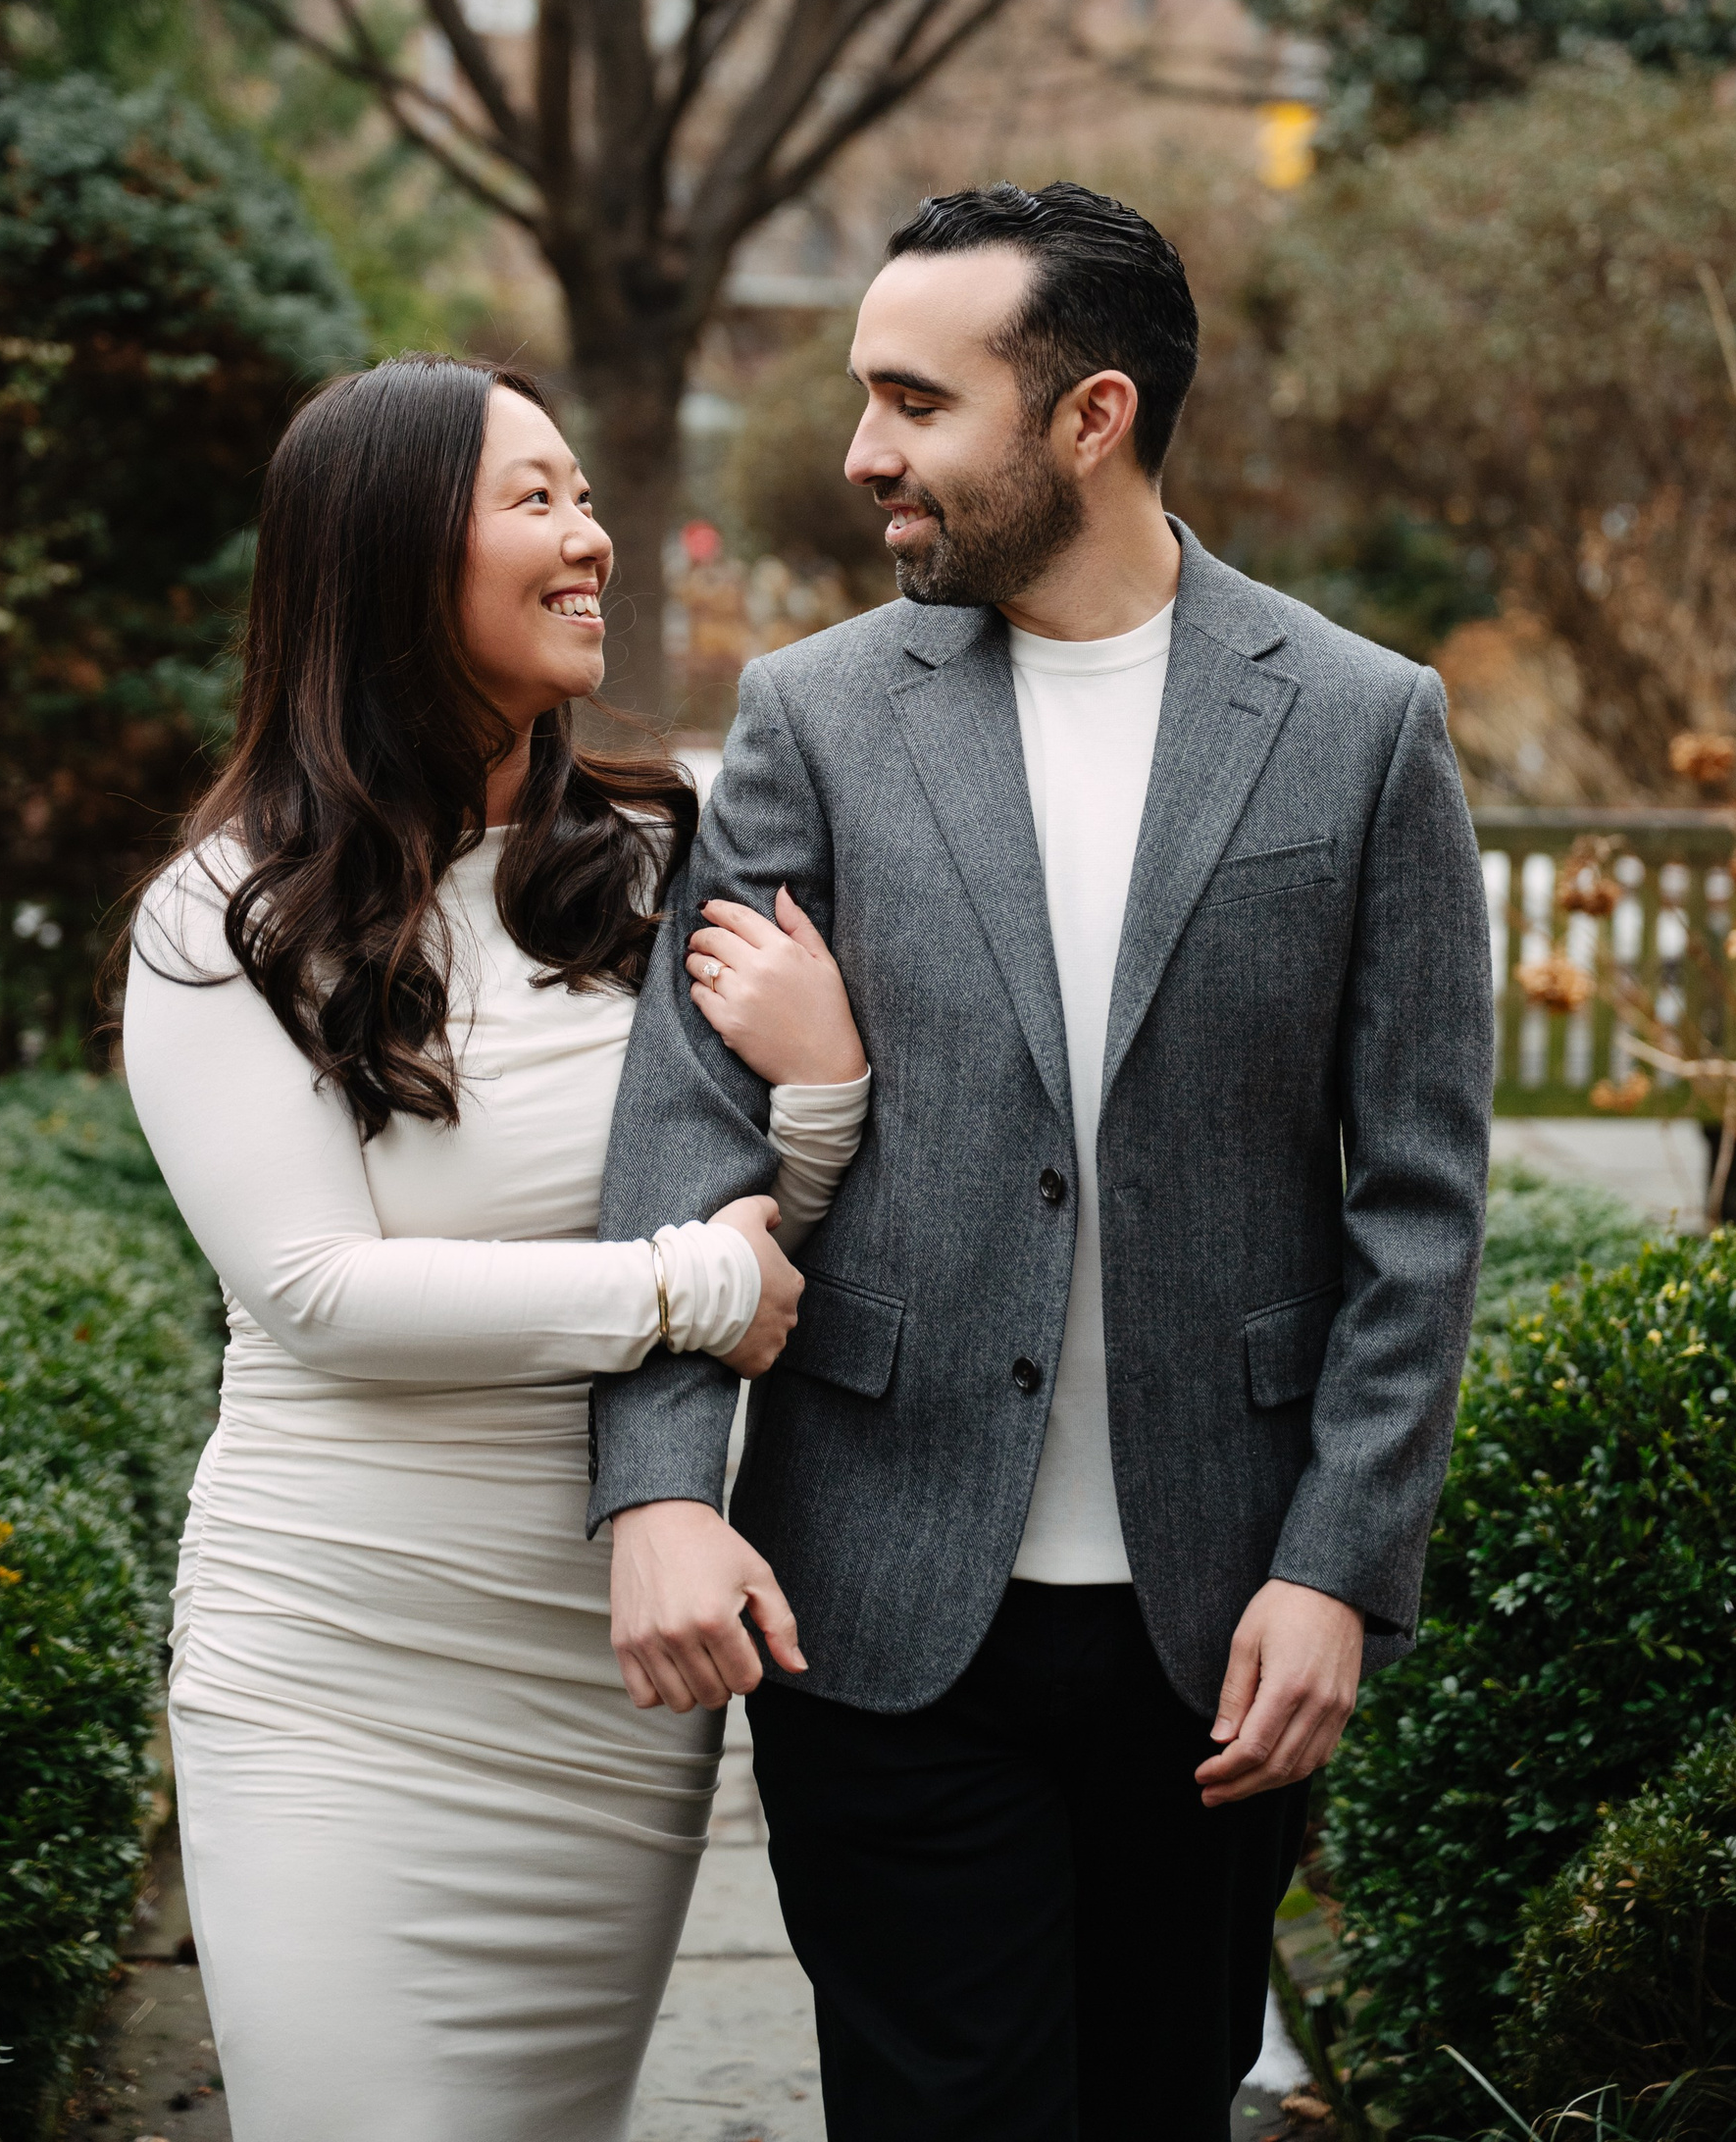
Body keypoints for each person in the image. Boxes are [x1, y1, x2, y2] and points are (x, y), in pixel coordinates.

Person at [589, 184, 1495, 2139]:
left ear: (1091, 417)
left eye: (916, 402)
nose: (864, 452)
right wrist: (656, 1484)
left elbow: (1420, 1205)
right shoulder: (813, 717)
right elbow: (686, 1120)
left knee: (1162, 2104)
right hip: (875, 1609)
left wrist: (1339, 1568)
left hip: (1223, 1632)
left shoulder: (1362, 725)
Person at [120, 354, 871, 2142]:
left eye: (585, 495)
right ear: (387, 557)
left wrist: (824, 1089)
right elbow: (319, 1294)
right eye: (534, 500)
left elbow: (762, 1247)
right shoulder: (225, 916)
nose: (591, 537)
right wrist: (682, 1287)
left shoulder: (661, 856)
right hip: (341, 1665)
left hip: (609, 1671)